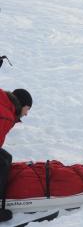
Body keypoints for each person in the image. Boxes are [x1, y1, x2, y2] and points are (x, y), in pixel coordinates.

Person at [0, 88, 32, 222]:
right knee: (2, 163)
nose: (26, 113)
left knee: (6, 158)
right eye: (27, 109)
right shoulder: (6, 115)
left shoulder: (4, 102)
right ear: (22, 104)